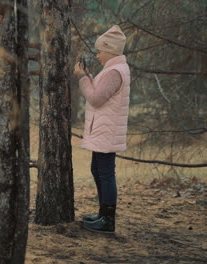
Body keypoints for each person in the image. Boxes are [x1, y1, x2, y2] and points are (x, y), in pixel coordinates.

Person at [73, 25, 130, 234]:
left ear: (110, 51)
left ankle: (108, 220)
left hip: (107, 130)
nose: (97, 55)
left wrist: (81, 78)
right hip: (105, 129)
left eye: (100, 51)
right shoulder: (112, 70)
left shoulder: (115, 72)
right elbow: (100, 91)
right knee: (98, 170)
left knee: (105, 173)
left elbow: (96, 98)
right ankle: (103, 215)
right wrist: (88, 75)